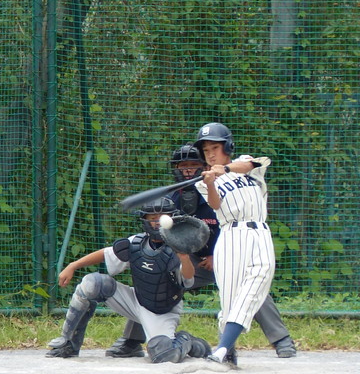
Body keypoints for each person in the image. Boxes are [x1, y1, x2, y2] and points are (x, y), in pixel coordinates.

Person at [107, 144, 297, 360]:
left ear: (205, 166)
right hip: (192, 261)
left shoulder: (222, 187)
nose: (188, 169)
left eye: (193, 164)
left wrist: (215, 254)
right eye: (183, 166)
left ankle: (281, 339)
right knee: (154, 277)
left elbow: (231, 224)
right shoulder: (174, 199)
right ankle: (132, 341)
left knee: (250, 285)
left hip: (230, 254)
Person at [45, 198, 212, 364]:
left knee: (164, 355)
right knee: (92, 283)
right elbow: (105, 253)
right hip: (136, 300)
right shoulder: (137, 243)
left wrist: (184, 258)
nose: (157, 222)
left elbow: (188, 278)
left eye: (162, 217)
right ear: (144, 220)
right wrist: (73, 265)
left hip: (162, 310)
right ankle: (69, 343)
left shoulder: (178, 247)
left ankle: (188, 341)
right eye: (152, 218)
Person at [193, 122, 277, 368]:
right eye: (206, 150)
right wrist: (210, 182)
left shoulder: (244, 164)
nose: (210, 154)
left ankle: (221, 349)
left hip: (260, 231)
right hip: (231, 236)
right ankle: (226, 350)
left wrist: (225, 169)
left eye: (215, 147)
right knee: (229, 300)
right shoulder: (203, 182)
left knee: (261, 276)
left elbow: (254, 164)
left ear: (227, 146)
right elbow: (215, 205)